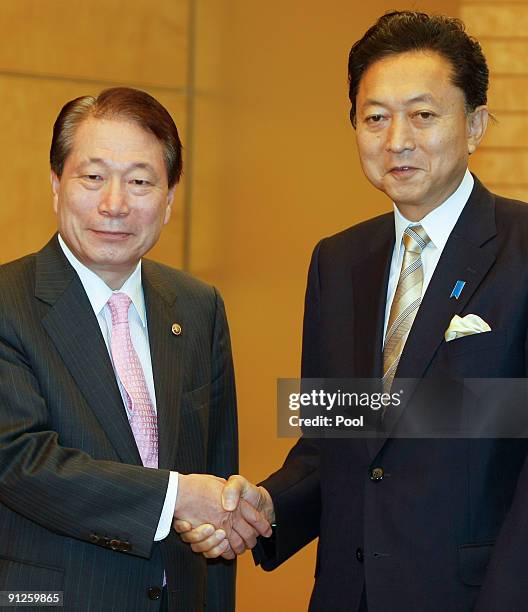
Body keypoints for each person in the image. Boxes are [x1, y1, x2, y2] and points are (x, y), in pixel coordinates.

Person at [176, 11, 528, 612]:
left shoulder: (521, 248)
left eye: (423, 114)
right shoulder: (338, 261)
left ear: (474, 125)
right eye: (375, 118)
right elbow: (337, 435)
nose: (397, 140)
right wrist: (265, 506)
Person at [0, 87, 270, 612]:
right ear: (56, 185)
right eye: (93, 176)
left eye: (141, 181)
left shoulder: (198, 307)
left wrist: (220, 520)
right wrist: (179, 497)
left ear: (169, 200)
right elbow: (19, 461)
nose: (115, 204)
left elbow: (213, 472)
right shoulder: (10, 304)